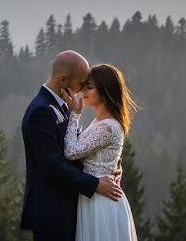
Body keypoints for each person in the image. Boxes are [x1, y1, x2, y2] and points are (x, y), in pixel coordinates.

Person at [20, 51, 123, 241]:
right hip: (51, 214)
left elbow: (79, 145)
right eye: (82, 84)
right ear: (63, 79)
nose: (83, 89)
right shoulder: (41, 111)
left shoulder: (61, 106)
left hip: (69, 210)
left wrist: (110, 165)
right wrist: (95, 184)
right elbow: (52, 165)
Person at [61, 63, 138, 241]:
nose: (82, 92)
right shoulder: (100, 121)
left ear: (105, 90)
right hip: (95, 196)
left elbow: (71, 152)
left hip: (101, 202)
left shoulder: (107, 126)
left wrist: (74, 115)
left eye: (89, 87)